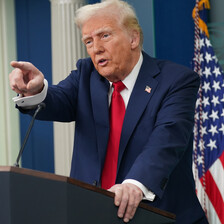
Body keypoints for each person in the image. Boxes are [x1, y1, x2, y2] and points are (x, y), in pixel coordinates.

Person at [9, 0, 208, 223]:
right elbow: (57, 99)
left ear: (133, 38)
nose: (96, 48)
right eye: (88, 41)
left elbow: (167, 140)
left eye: (104, 36)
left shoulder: (176, 80)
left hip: (160, 216)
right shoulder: (86, 75)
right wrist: (36, 90)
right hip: (94, 215)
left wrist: (134, 185)